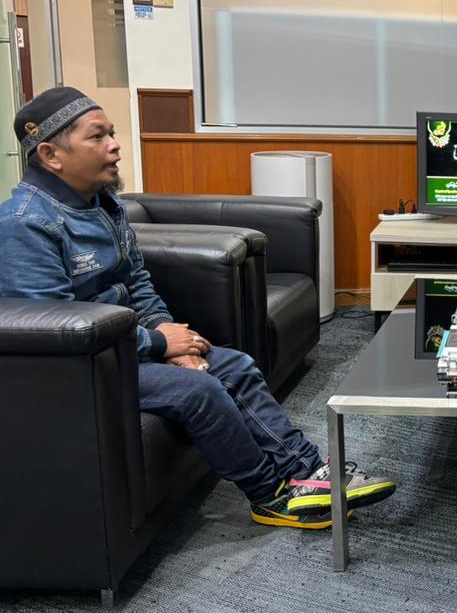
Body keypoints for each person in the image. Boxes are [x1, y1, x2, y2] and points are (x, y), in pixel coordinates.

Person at [0, 87, 396, 529]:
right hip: (86, 368)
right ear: (51, 154)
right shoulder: (25, 225)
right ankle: (270, 496)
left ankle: (308, 470)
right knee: (199, 391)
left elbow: (138, 282)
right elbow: (60, 333)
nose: (115, 145)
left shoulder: (104, 203)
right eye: (98, 137)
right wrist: (156, 344)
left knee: (235, 365)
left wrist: (175, 341)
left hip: (126, 346)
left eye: (112, 133)